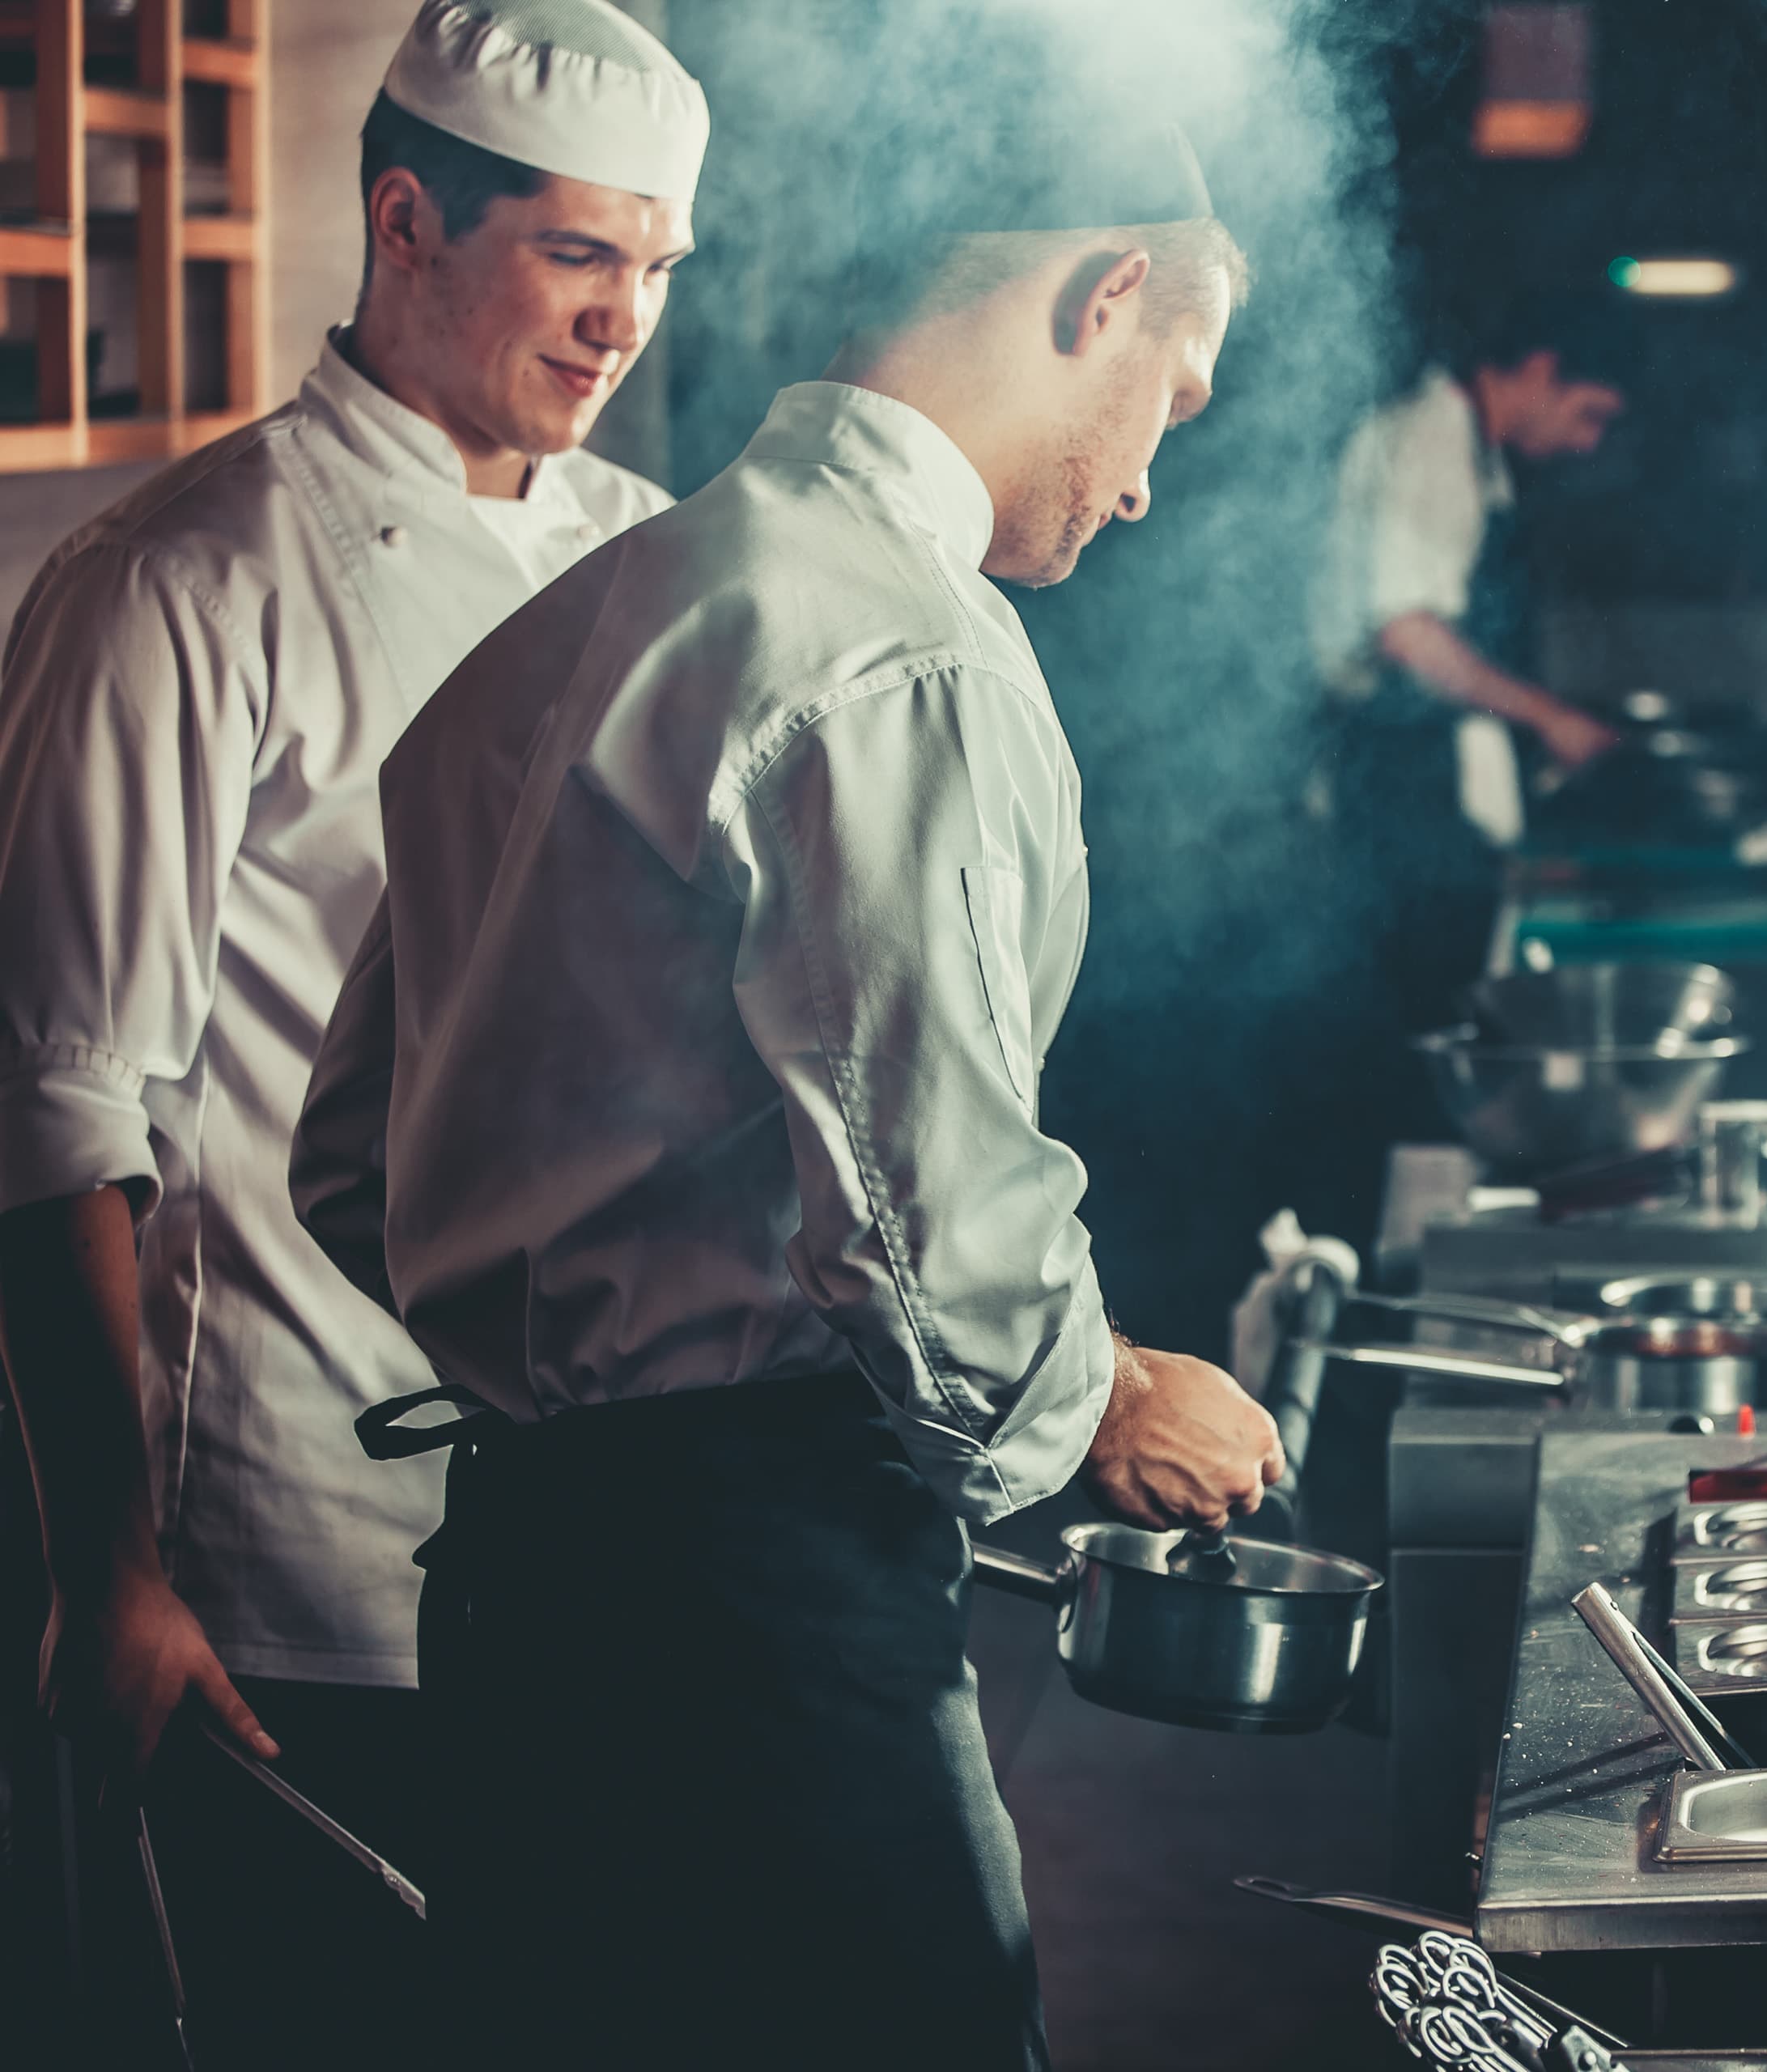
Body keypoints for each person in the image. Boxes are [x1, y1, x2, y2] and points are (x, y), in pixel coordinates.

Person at [287, 117, 1276, 2070]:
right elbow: (931, 1222)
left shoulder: (582, 613)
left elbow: (348, 1160)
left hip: (515, 1603)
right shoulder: (895, 647)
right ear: (1103, 298)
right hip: (757, 1634)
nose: (1149, 481)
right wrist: (1105, 1397)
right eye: (1170, 396)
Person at [0, 1, 702, 2057]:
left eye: (657, 266)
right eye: (577, 256)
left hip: (585, 1530)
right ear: (405, 220)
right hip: (286, 1545)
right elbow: (54, 1103)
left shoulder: (642, 550)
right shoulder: (178, 582)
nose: (625, 321)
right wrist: (110, 1564)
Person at [1308, 318, 1629, 1030]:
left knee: (1438, 1012)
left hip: (1417, 772)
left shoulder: (1472, 451)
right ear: (1540, 369)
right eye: (1590, 414)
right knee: (1428, 1019)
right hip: (1402, 777)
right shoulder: (1434, 442)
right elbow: (1409, 636)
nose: (1589, 442)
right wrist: (1553, 719)